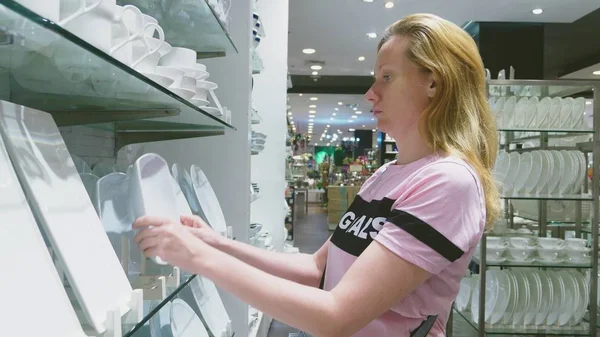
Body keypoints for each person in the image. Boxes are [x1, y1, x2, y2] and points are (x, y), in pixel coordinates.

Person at [133, 13, 499, 337]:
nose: (371, 94)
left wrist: (199, 257)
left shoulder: (449, 183)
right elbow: (316, 267)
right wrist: (216, 243)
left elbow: (336, 316)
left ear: (433, 83)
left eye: (387, 77)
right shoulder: (387, 175)